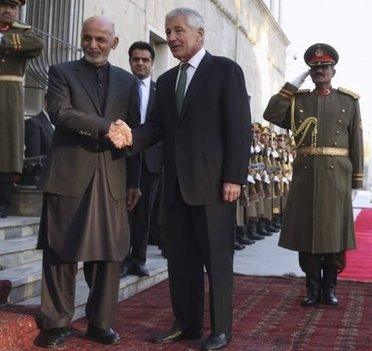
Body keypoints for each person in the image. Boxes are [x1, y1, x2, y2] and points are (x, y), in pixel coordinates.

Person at [114, 8, 251, 350]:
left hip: (213, 185)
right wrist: (129, 137)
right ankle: (186, 323)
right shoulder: (168, 80)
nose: (171, 38)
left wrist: (234, 176)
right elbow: (157, 127)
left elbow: (238, 128)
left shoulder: (225, 71)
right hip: (174, 186)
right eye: (167, 31)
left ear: (200, 34)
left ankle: (221, 330)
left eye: (178, 31)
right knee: (181, 260)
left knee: (216, 261)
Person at [34, 16, 141, 348]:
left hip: (112, 175)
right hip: (69, 174)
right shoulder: (62, 72)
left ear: (114, 43)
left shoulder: (127, 81)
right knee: (60, 250)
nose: (93, 45)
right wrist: (105, 126)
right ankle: (56, 324)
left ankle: (100, 322)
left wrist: (133, 182)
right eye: (87, 38)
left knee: (110, 254)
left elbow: (134, 132)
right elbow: (60, 112)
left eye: (100, 39)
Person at [264, 43, 364, 306]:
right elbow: (271, 113)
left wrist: (357, 180)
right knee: (306, 234)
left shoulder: (348, 101)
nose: (320, 71)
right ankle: (312, 287)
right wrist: (293, 84)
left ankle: (330, 287)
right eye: (315, 67)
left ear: (333, 69)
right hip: (306, 176)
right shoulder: (299, 100)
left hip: (337, 178)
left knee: (334, 234)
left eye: (325, 67)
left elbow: (356, 140)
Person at [122, 41, 162, 278]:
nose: (140, 63)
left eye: (145, 60)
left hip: (152, 162)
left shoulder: (160, 91)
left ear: (152, 63)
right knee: (125, 211)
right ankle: (123, 259)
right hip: (125, 160)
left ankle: (139, 259)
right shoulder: (121, 87)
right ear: (130, 61)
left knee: (145, 213)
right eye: (136, 59)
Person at [0, 0, 43, 218]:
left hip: (9, 95)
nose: (7, 10)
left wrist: (3, 40)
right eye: (3, 5)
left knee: (7, 146)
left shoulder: (24, 32)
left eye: (12, 6)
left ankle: (3, 201)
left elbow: (37, 45)